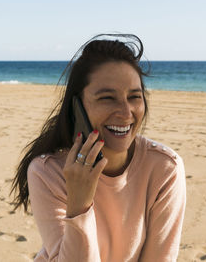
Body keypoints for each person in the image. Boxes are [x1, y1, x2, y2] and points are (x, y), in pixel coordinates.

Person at [11, 34, 186, 261]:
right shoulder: (48, 171)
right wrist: (80, 205)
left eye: (134, 97)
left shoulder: (165, 168)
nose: (125, 113)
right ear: (77, 107)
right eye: (107, 98)